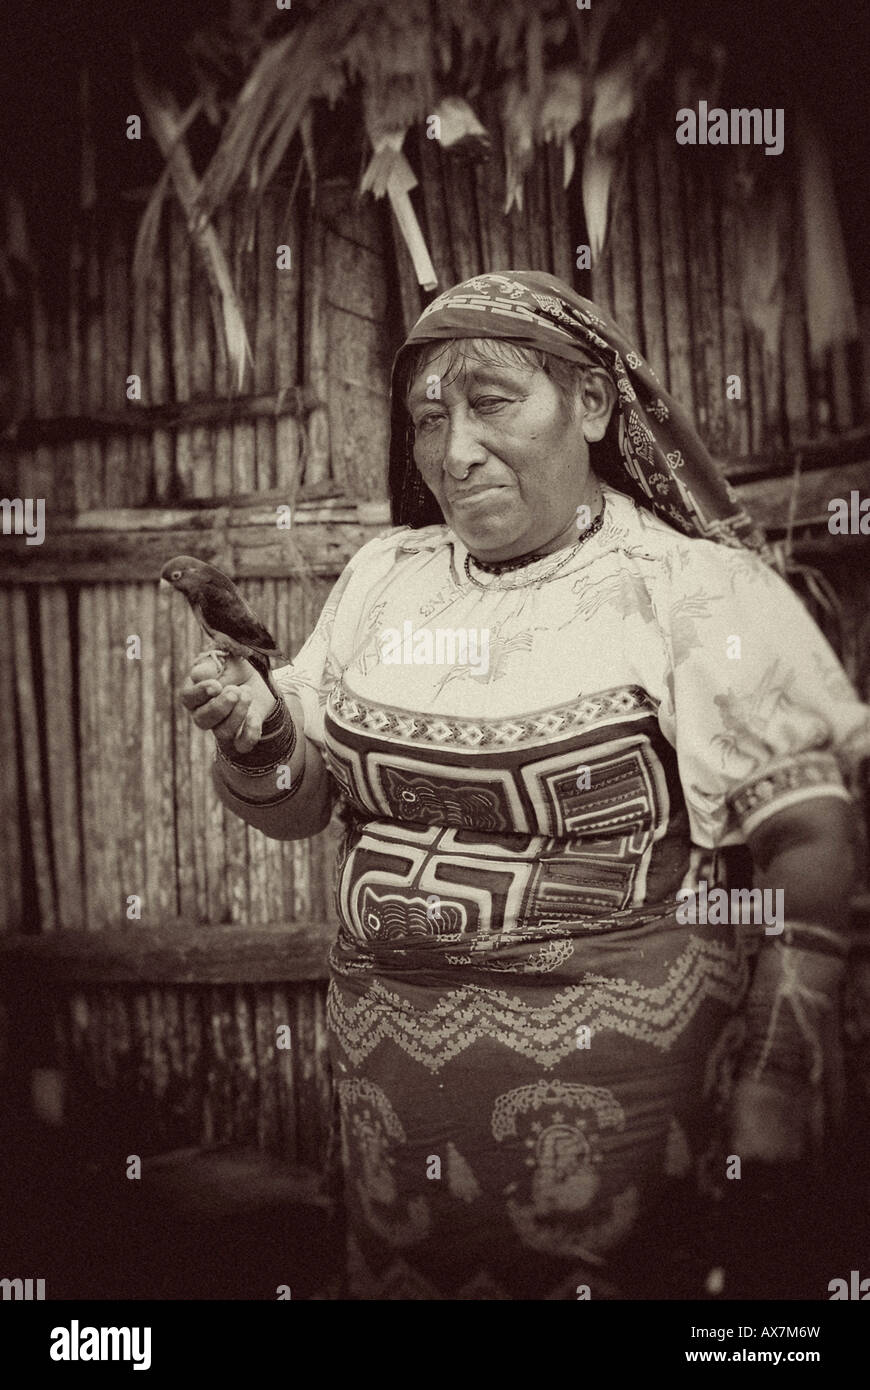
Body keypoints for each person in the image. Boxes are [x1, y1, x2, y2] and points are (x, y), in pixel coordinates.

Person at [179, 271, 870, 1300]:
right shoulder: (385, 578)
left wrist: (777, 1076)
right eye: (426, 417)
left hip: (623, 1138)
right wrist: (260, 729)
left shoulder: (692, 591)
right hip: (395, 1136)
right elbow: (303, 801)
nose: (453, 451)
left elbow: (809, 842)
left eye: (491, 403)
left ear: (591, 404)